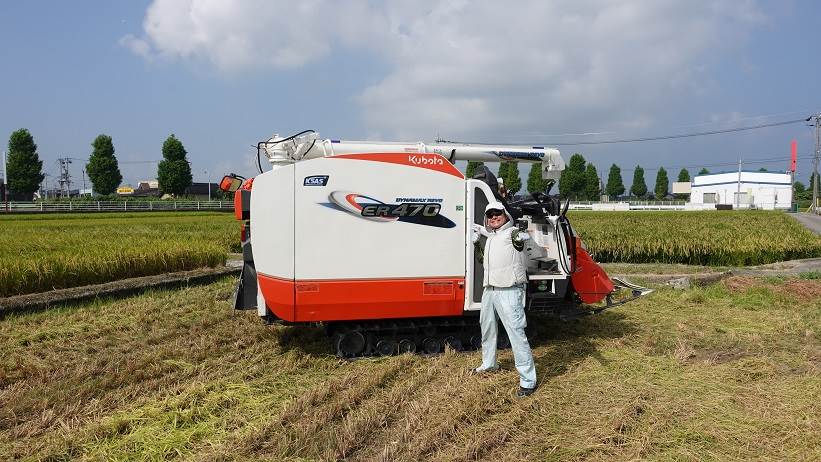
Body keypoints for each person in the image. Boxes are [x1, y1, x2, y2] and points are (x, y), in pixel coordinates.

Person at [471, 202, 537, 397]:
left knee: (516, 335)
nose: (493, 217)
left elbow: (519, 243)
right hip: (490, 290)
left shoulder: (512, 233)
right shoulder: (492, 238)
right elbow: (483, 261)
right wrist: (477, 243)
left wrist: (522, 238)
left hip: (509, 290)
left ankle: (528, 381)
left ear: (505, 215)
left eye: (497, 213)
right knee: (487, 329)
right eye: (490, 214)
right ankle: (489, 364)